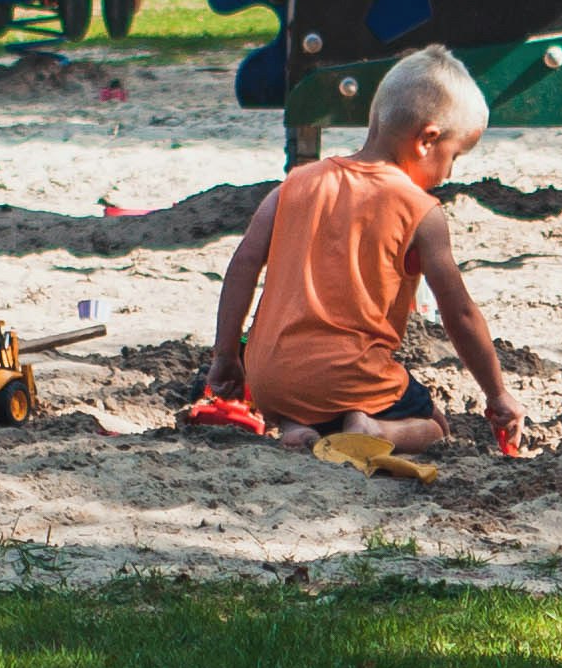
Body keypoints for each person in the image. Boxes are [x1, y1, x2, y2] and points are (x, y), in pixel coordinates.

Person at [210, 48, 522, 456]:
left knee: (301, 398)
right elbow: (459, 313)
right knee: (434, 427)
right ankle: (374, 430)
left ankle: (296, 428)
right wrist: (497, 394)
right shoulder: (420, 211)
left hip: (270, 380)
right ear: (427, 140)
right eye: (454, 157)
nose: (450, 173)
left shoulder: (294, 184)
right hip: (350, 380)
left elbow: (243, 265)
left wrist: (226, 355)